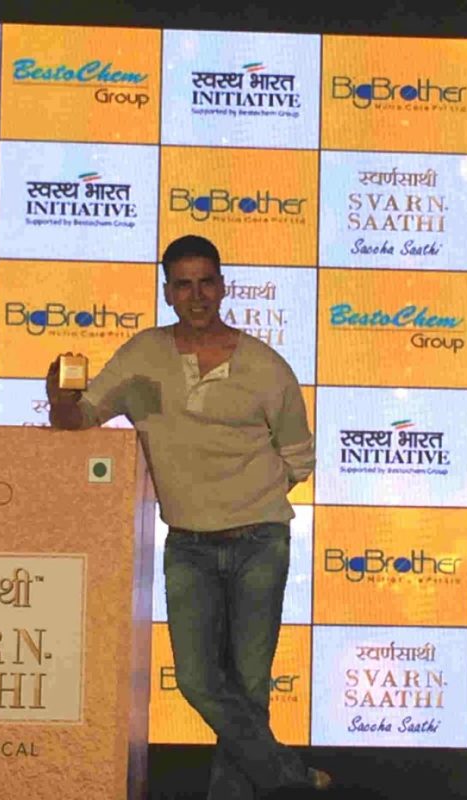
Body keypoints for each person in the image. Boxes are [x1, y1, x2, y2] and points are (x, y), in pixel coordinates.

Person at [46, 235, 332, 799]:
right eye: (183, 284)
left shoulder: (265, 367)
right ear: (167, 292)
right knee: (199, 683)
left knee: (249, 688)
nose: (196, 295)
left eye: (206, 282)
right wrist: (59, 399)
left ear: (222, 288)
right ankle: (290, 779)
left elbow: (299, 455)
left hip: (260, 542)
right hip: (188, 546)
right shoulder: (142, 357)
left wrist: (251, 499)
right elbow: (82, 418)